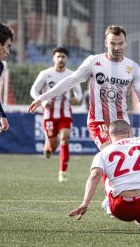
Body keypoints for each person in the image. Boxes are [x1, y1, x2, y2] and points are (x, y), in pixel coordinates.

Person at [27, 25, 140, 151]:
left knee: (124, 159)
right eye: (112, 43)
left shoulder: (133, 67)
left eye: (120, 43)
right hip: (98, 120)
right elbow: (70, 81)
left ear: (125, 43)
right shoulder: (93, 61)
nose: (117, 48)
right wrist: (42, 98)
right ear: (106, 43)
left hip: (121, 121)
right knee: (110, 152)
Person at [30, 47, 83, 182]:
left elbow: (79, 93)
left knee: (65, 138)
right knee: (52, 148)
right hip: (49, 115)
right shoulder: (45, 74)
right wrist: (42, 103)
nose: (60, 59)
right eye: (58, 56)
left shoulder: (72, 74)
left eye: (63, 57)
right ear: (54, 58)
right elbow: (34, 91)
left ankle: (62, 173)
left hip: (65, 113)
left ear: (66, 59)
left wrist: (76, 99)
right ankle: (48, 146)